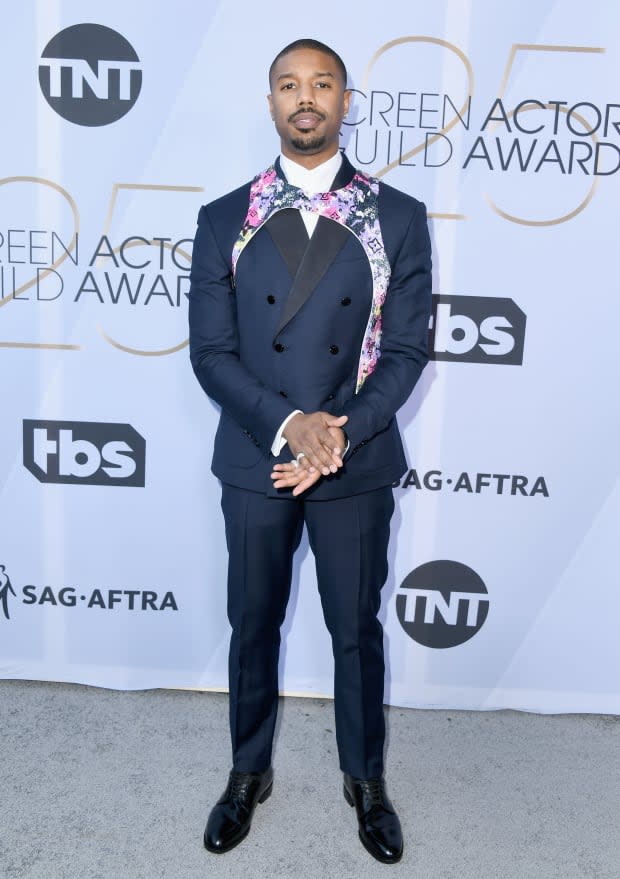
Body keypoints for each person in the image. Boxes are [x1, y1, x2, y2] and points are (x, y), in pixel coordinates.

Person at [188, 37, 432, 863]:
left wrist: (339, 432)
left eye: (321, 84)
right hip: (259, 454)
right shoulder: (226, 217)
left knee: (355, 628)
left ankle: (365, 780)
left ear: (345, 100)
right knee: (252, 623)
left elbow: (403, 354)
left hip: (354, 462)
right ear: (269, 104)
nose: (306, 98)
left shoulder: (395, 216)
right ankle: (247, 770)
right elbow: (211, 354)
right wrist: (292, 424)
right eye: (289, 85)